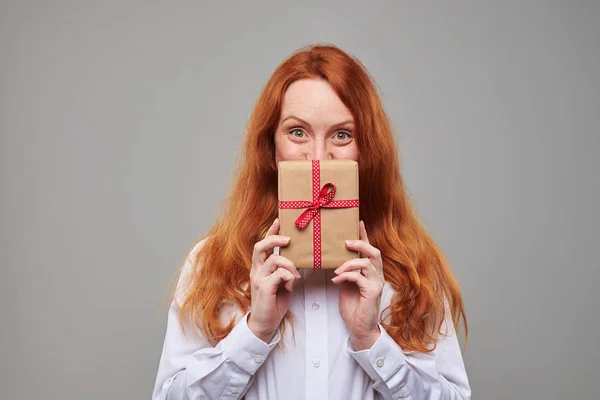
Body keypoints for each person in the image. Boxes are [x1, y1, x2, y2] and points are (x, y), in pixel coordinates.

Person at [152, 43, 471, 400]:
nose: (318, 156)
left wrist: (371, 339)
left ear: (366, 150)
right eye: (298, 132)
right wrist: (255, 330)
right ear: (270, 147)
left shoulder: (412, 266)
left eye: (342, 134)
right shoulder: (212, 261)